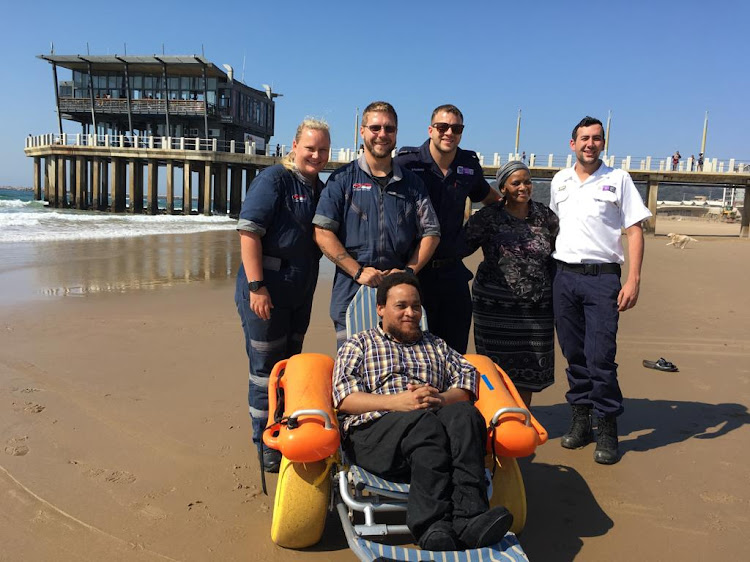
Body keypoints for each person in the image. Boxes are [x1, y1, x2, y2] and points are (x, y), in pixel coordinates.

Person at [333, 273, 513, 551]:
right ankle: (431, 525)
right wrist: (397, 402)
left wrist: (440, 398)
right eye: (401, 306)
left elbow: (467, 380)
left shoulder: (436, 345)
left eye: (416, 306)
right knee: (423, 424)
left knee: (464, 414)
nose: (410, 313)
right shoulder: (359, 345)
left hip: (430, 431)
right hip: (376, 437)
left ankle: (469, 519)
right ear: (380, 309)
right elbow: (344, 398)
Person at [550, 116, 651, 465]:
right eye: (583, 138)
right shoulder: (560, 181)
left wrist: (633, 279)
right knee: (574, 354)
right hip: (563, 276)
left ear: (602, 143)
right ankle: (581, 420)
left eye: (596, 138)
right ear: (572, 144)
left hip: (602, 278)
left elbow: (634, 231)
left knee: (600, 356)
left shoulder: (618, 179)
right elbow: (552, 228)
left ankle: (607, 426)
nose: (589, 144)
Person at [234, 118, 331, 472]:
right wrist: (256, 287)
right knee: (265, 372)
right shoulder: (275, 179)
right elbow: (249, 233)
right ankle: (265, 445)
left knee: (290, 367)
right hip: (267, 287)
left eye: (322, 150)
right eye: (310, 148)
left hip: (300, 288)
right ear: (294, 146)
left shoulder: (319, 189)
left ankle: (284, 430)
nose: (316, 155)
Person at [313, 101, 440, 346]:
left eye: (389, 129)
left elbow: (431, 232)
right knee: (353, 369)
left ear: (396, 133)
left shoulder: (413, 184)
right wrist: (358, 271)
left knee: (403, 368)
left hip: (400, 293)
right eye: (375, 128)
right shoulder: (342, 180)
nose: (382, 134)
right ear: (362, 131)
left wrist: (408, 271)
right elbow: (322, 231)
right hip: (352, 291)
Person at [395, 104, 499, 353]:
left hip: (452, 272)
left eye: (456, 128)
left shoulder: (468, 165)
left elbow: (490, 200)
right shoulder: (407, 163)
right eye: (442, 127)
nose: (448, 132)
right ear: (431, 129)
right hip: (414, 270)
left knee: (455, 349)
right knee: (412, 349)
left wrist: (523, 210)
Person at [461, 161, 558, 407]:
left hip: (537, 308)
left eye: (527, 181)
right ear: (503, 187)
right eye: (516, 183)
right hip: (494, 308)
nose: (523, 187)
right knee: (495, 370)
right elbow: (458, 248)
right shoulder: (487, 217)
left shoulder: (545, 216)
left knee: (529, 369)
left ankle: (522, 418)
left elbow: (559, 254)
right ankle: (497, 420)